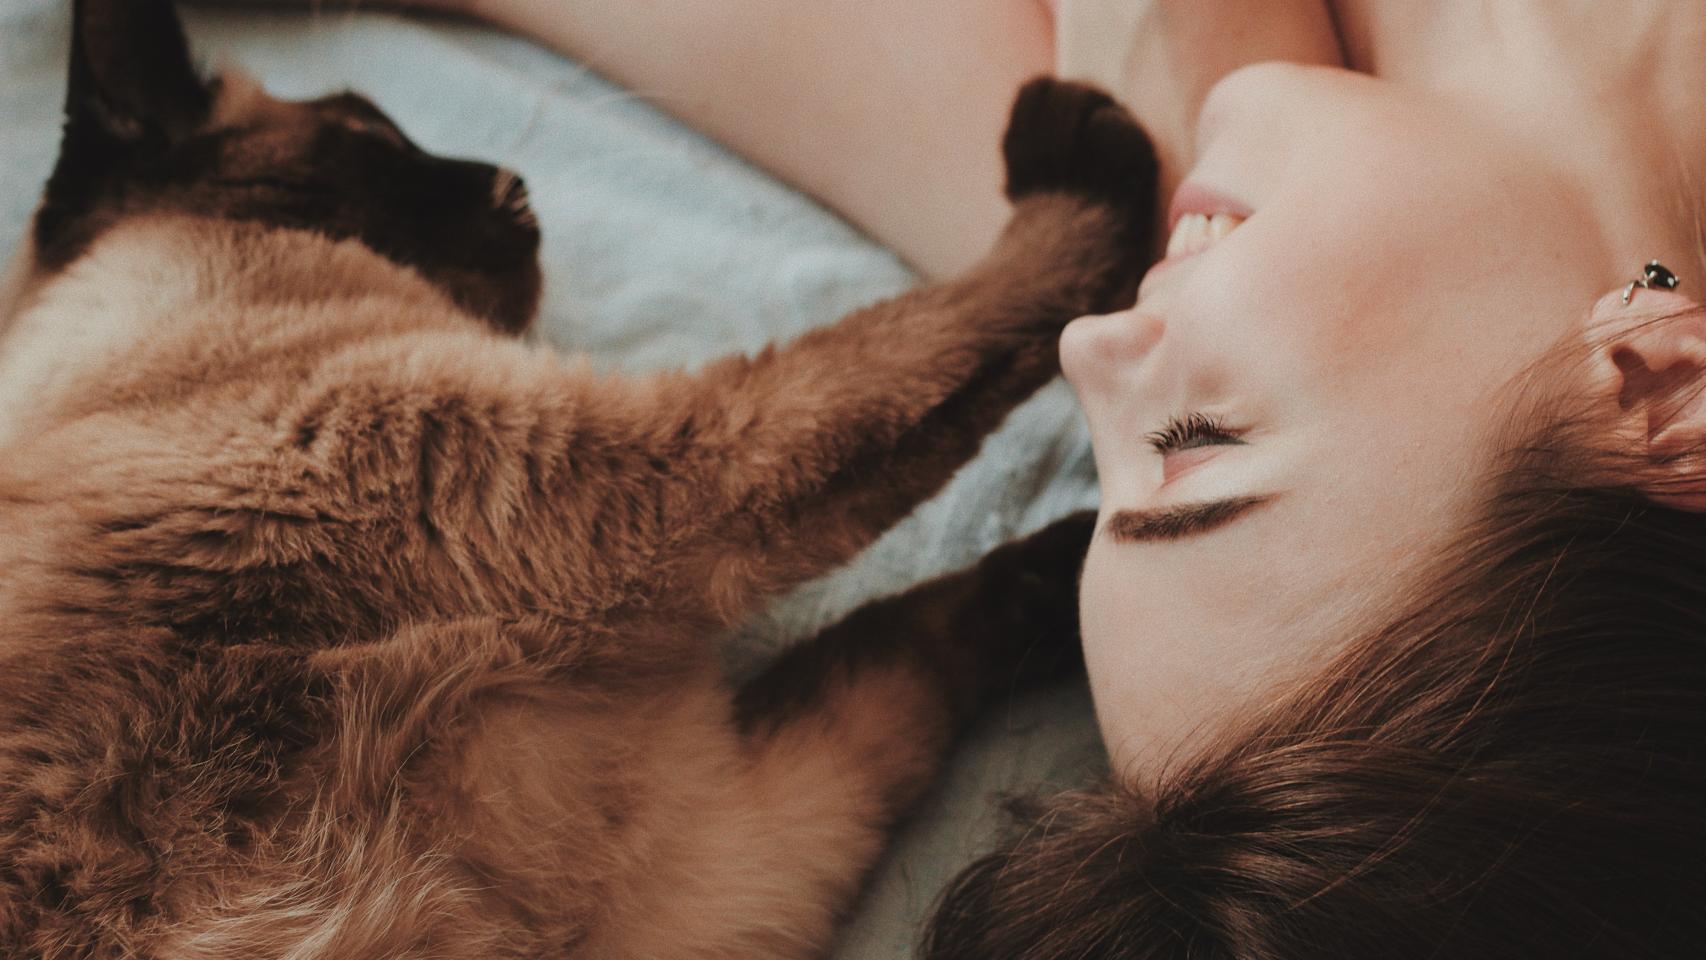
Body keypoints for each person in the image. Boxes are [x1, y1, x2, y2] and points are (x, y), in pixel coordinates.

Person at [252, 0, 1706, 953]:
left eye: (1112, 471)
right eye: (1202, 445)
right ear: (1658, 399)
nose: (1083, 347)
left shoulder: (1177, 184)